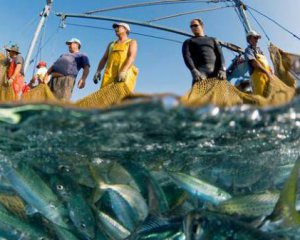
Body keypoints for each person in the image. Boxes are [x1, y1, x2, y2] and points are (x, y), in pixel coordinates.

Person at [93, 22, 138, 92]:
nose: (116, 29)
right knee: (106, 97)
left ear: (125, 29)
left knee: (122, 98)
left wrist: (124, 71)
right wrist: (98, 71)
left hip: (123, 74)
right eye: (115, 27)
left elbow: (131, 57)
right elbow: (104, 59)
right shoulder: (111, 44)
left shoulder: (131, 42)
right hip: (109, 75)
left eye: (118, 27)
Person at [182, 19, 227, 85]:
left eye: (195, 25)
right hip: (200, 73)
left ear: (202, 26)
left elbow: (220, 55)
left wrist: (223, 69)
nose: (193, 28)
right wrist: (193, 70)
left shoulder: (213, 40)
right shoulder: (188, 42)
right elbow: (187, 57)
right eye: (191, 26)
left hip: (217, 73)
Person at [244, 30, 275, 96]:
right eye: (255, 38)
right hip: (258, 80)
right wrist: (267, 72)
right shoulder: (248, 50)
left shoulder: (259, 50)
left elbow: (265, 63)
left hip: (267, 77)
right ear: (249, 39)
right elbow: (254, 63)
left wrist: (270, 70)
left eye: (257, 38)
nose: (257, 40)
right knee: (263, 100)